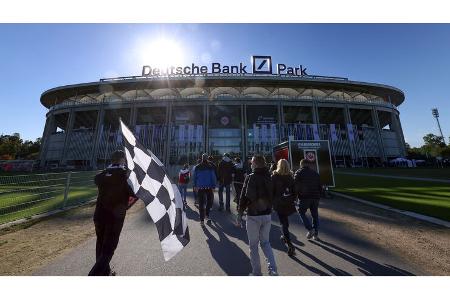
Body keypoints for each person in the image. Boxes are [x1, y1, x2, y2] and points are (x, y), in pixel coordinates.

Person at [89, 150, 136, 276]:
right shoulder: (124, 176)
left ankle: (106, 272)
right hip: (114, 218)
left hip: (99, 215)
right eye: (124, 159)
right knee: (109, 249)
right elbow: (134, 195)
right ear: (121, 160)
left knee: (100, 244)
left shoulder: (103, 175)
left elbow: (97, 179)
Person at [237, 154, 278, 276]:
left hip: (253, 215)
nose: (250, 164)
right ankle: (273, 269)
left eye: (252, 163)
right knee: (266, 243)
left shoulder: (250, 177)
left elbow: (244, 197)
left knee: (253, 245)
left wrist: (239, 213)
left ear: (255, 164)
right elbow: (274, 194)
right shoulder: (270, 177)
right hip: (267, 215)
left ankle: (257, 273)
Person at [271, 159, 296, 256]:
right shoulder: (290, 176)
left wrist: (272, 202)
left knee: (283, 222)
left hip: (279, 203)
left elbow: (271, 191)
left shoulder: (274, 176)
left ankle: (289, 243)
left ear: (278, 165)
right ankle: (285, 235)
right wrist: (293, 199)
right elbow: (295, 191)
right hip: (288, 202)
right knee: (284, 221)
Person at [294, 159, 322, 240]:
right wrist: (319, 195)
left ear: (301, 164)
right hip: (315, 197)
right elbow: (320, 186)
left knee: (301, 212)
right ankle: (315, 234)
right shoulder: (315, 173)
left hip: (304, 197)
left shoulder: (298, 173)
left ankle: (310, 229)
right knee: (315, 215)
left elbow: (295, 186)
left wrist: (295, 197)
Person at [193, 153, 217, 227]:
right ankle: (207, 214)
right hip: (209, 187)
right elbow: (213, 177)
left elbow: (194, 177)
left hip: (200, 187)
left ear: (202, 158)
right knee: (209, 201)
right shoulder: (210, 167)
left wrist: (195, 185)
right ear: (207, 159)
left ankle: (202, 221)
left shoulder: (197, 167)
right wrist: (213, 186)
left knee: (201, 203)